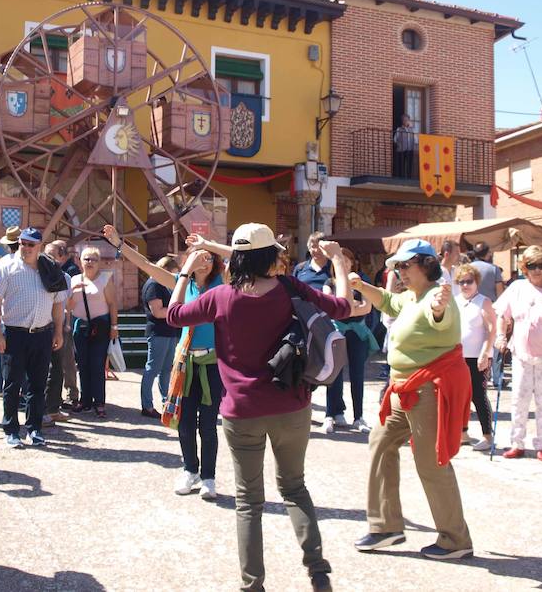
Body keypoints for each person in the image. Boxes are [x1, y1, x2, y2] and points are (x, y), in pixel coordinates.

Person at [167, 223, 353, 592]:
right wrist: (339, 264)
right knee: (294, 488)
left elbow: (173, 315)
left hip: (241, 411)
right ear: (272, 256)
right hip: (291, 406)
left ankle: (252, 585)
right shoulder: (287, 288)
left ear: (235, 258)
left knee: (248, 502)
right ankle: (317, 571)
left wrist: (187, 269)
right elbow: (343, 308)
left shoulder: (220, 296)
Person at [353, 239, 472, 560]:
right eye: (397, 266)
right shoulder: (411, 296)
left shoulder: (436, 295)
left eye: (406, 265)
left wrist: (439, 309)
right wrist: (361, 284)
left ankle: (455, 539)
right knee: (380, 443)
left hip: (428, 388)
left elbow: (441, 313)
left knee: (431, 463)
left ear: (427, 265)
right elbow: (388, 301)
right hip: (402, 388)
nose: (399, 271)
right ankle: (386, 527)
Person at [104, 225, 227, 498]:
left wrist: (211, 245)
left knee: (207, 423)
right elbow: (147, 265)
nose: (202, 261)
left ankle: (209, 477)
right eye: (196, 256)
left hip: (212, 362)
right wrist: (119, 244)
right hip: (184, 362)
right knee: (183, 421)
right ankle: (189, 469)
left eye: (207, 257)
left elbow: (241, 258)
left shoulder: (223, 283)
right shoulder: (183, 283)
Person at [0, 227, 65, 448]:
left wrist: (58, 331)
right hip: (15, 334)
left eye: (31, 244)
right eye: (23, 243)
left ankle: (34, 429)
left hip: (42, 334)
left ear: (39, 246)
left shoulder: (50, 269)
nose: (26, 248)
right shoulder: (7, 267)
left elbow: (59, 303)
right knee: (12, 385)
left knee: (38, 385)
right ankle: (11, 430)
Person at [494, 246, 542, 461]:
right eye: (531, 266)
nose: (537, 270)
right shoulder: (517, 288)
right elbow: (502, 315)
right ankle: (516, 442)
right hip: (521, 354)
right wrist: (500, 336)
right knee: (519, 398)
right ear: (524, 268)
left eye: (540, 265)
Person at [322, 247, 375, 434]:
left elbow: (367, 308)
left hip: (357, 333)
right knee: (334, 373)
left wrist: (345, 306)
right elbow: (331, 306)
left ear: (353, 263)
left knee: (357, 374)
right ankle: (330, 414)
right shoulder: (330, 282)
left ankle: (358, 417)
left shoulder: (361, 282)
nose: (344, 264)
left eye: (347, 261)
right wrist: (352, 306)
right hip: (337, 331)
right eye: (340, 260)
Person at [66, 245, 116, 418]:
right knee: (83, 364)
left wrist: (114, 327)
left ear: (99, 262)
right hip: (80, 327)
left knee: (97, 365)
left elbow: (112, 304)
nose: (90, 262)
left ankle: (99, 402)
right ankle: (85, 400)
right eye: (86, 258)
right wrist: (72, 293)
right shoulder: (74, 280)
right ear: (80, 261)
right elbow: (68, 307)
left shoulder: (104, 279)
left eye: (94, 259)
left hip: (100, 327)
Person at [454, 263, 496, 451]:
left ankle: (487, 435)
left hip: (477, 357)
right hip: (457, 356)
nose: (465, 285)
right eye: (461, 282)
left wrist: (485, 353)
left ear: (476, 282)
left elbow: (491, 330)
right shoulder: (454, 301)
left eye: (469, 281)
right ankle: (462, 433)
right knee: (459, 395)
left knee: (478, 395)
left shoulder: (484, 301)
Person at [139, 255, 181, 418]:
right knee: (152, 369)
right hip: (158, 333)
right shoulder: (154, 285)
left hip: (169, 332)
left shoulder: (162, 284)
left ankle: (167, 403)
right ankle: (147, 406)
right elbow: (157, 312)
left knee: (166, 370)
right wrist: (179, 310)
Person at [42, 240, 75, 422]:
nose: (48, 258)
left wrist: (66, 325)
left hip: (57, 325)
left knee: (56, 368)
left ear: (61, 257)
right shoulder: (36, 274)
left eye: (52, 254)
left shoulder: (65, 278)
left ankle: (52, 408)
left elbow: (66, 305)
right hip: (40, 324)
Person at [471, 242, 505, 389]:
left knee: (474, 342)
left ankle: (476, 376)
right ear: (488, 253)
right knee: (493, 343)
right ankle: (496, 378)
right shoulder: (494, 269)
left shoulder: (468, 269)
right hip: (491, 308)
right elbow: (500, 293)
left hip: (471, 308)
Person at [0, 226, 21, 397]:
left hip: (3, 309)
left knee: (0, 352)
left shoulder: (1, 262)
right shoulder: (25, 263)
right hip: (19, 312)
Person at [393, 114, 418, 179]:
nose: (406, 121)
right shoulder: (399, 129)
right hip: (401, 150)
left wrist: (415, 148)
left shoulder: (413, 130)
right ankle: (401, 177)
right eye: (404, 120)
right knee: (402, 164)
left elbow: (416, 140)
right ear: (402, 121)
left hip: (410, 149)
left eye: (407, 120)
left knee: (409, 164)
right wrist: (399, 145)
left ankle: (409, 177)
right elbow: (395, 140)